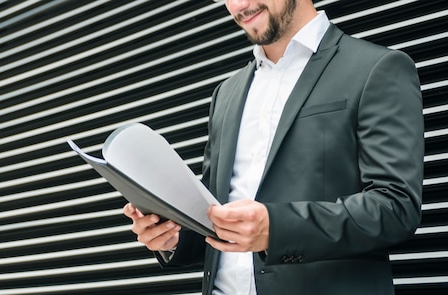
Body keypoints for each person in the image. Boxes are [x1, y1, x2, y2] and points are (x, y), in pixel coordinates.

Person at [123, 0, 424, 294]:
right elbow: (214, 217)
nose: (239, 6)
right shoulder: (226, 94)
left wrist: (277, 229)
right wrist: (171, 236)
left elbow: (396, 208)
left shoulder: (375, 68)